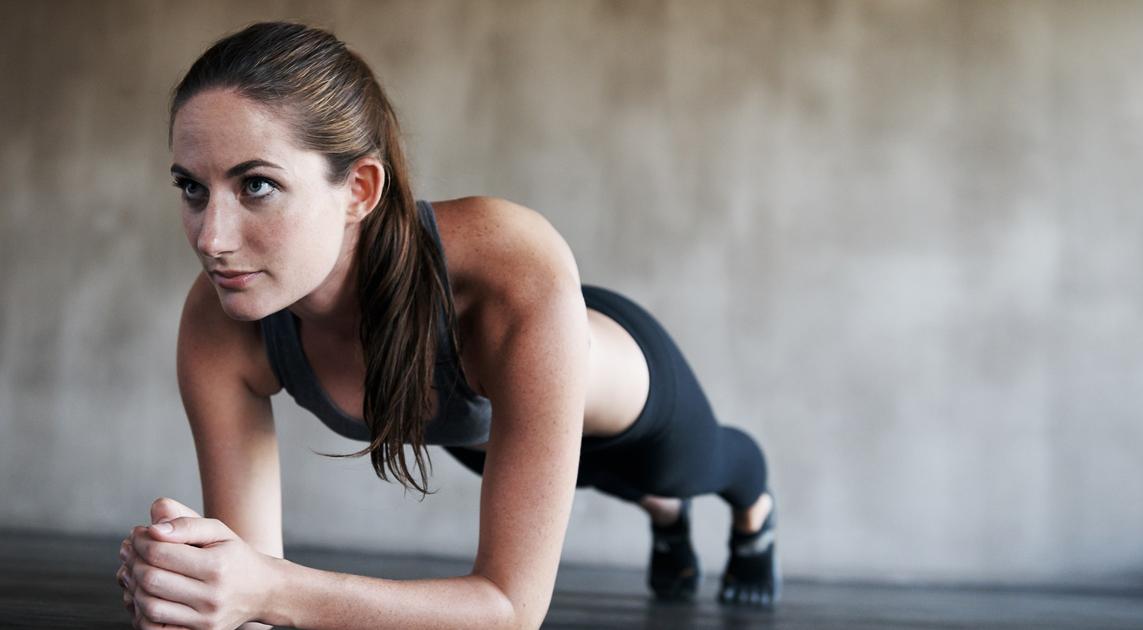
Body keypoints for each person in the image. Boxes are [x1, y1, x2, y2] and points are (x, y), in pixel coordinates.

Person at [113, 21, 779, 630]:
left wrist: (268, 590)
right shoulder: (220, 319)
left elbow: (512, 610)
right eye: (191, 188)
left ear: (361, 190)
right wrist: (192, 587)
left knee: (698, 467)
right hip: (478, 424)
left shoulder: (507, 263)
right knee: (597, 485)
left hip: (625, 391)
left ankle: (753, 515)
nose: (212, 239)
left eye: (255, 185)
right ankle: (664, 515)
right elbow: (246, 592)